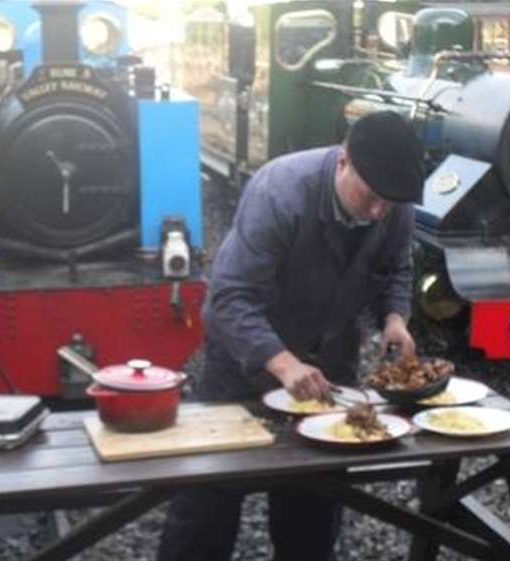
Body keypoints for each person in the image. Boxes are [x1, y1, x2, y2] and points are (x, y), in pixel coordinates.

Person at [158, 111, 426, 561]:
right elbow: (230, 296)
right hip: (243, 364)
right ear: (343, 162)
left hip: (329, 368)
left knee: (313, 506)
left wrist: (395, 318)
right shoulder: (280, 191)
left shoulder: (393, 205)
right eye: (371, 197)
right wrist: (283, 363)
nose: (380, 211)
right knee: (208, 501)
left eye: (390, 203)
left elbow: (396, 266)